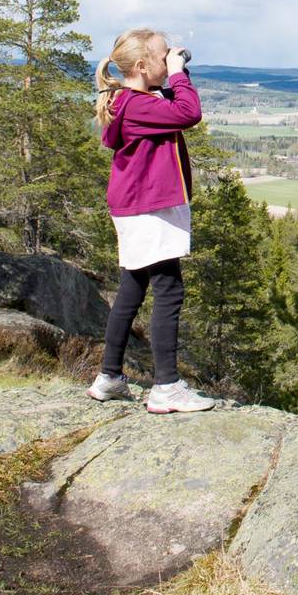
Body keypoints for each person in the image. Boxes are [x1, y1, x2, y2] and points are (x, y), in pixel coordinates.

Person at [86, 28, 215, 413]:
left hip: (137, 206)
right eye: (162, 55)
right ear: (142, 66)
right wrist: (176, 72)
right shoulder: (137, 105)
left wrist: (176, 71)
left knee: (132, 287)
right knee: (169, 290)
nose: (169, 58)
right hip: (148, 208)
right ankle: (166, 387)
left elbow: (175, 104)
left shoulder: (134, 101)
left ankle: (109, 377)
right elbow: (189, 113)